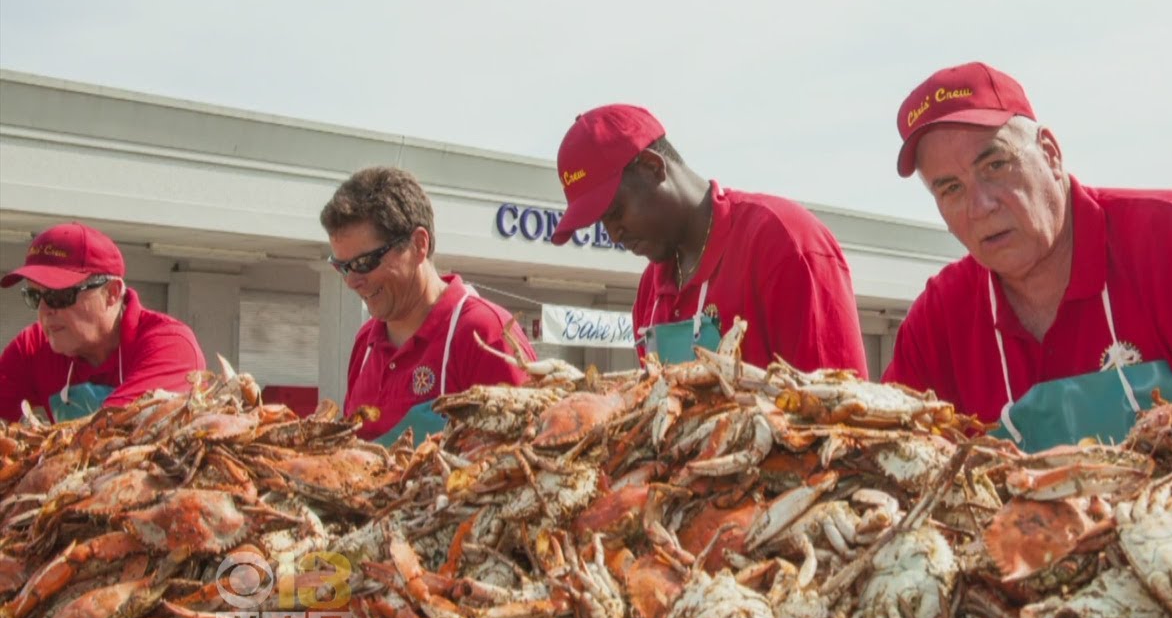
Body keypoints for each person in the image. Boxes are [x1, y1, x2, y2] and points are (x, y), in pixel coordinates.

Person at [884, 61, 1172, 447]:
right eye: (951, 189)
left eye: (995, 164)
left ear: (1050, 153)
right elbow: (887, 452)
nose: (980, 205)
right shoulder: (938, 322)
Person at [549, 104, 868, 376]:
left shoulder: (785, 242)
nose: (614, 234)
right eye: (602, 223)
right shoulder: (650, 293)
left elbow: (841, 419)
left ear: (652, 167)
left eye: (615, 212)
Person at [321, 166, 537, 444]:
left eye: (364, 263)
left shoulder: (485, 334)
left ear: (418, 245)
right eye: (342, 267)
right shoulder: (366, 342)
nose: (352, 281)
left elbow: (528, 451)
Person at [0, 222, 206, 422]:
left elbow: (110, 430)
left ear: (111, 293)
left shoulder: (172, 346)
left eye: (58, 296)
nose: (45, 310)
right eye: (34, 296)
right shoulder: (34, 347)